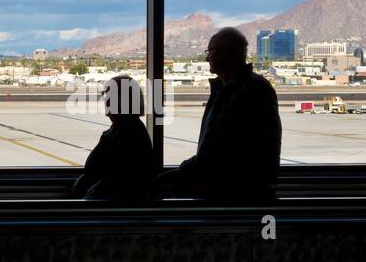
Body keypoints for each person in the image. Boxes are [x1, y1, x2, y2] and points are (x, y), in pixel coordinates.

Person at [159, 27, 282, 203]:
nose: (207, 57)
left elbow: (219, 149)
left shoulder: (246, 90)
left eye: (211, 51)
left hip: (236, 195)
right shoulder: (229, 88)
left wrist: (182, 170)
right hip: (233, 192)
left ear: (225, 53)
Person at [71, 75, 155, 200]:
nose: (105, 99)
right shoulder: (122, 128)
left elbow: (106, 173)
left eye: (108, 94)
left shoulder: (127, 133)